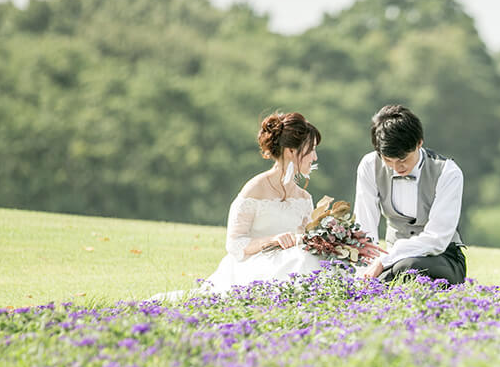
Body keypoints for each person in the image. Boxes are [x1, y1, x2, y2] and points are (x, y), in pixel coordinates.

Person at [187, 112, 326, 296]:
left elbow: (305, 240)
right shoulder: (254, 189)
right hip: (254, 265)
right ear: (290, 151)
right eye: (311, 150)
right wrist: (272, 240)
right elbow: (235, 244)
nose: (314, 157)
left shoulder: (304, 198)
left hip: (291, 262)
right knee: (304, 261)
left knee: (314, 259)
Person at [355, 105, 467, 285]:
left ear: (419, 143)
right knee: (371, 276)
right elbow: (365, 224)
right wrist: (365, 268)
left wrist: (385, 260)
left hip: (442, 257)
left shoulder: (448, 172)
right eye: (388, 161)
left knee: (408, 266)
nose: (397, 168)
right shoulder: (369, 166)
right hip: (391, 260)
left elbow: (437, 239)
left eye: (403, 160)